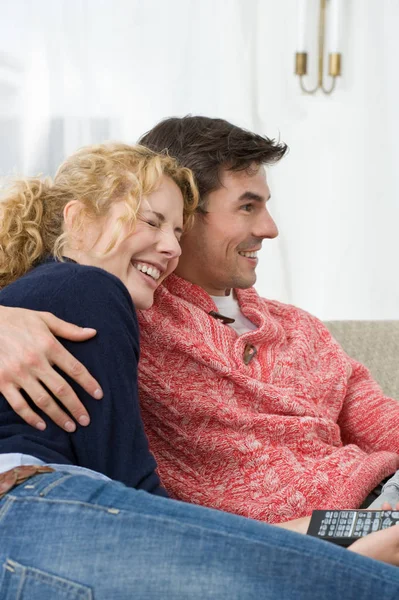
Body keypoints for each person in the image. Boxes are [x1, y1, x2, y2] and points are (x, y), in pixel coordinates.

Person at [2, 142, 399, 599]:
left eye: (175, 228)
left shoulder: (76, 294)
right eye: (152, 222)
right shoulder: (101, 292)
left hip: (369, 508)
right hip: (44, 505)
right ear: (77, 219)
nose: (170, 244)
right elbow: (139, 503)